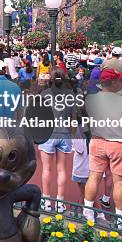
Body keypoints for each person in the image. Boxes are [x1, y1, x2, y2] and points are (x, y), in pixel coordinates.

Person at [82, 69, 122, 232]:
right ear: (114, 83)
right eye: (119, 80)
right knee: (119, 182)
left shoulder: (91, 99)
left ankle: (88, 213)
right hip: (118, 144)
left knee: (94, 177)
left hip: (97, 142)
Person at [37, 70, 77, 213]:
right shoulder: (70, 95)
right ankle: (60, 202)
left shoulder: (45, 94)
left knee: (47, 169)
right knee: (62, 169)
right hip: (64, 133)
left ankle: (46, 200)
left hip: (48, 133)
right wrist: (71, 135)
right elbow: (74, 118)